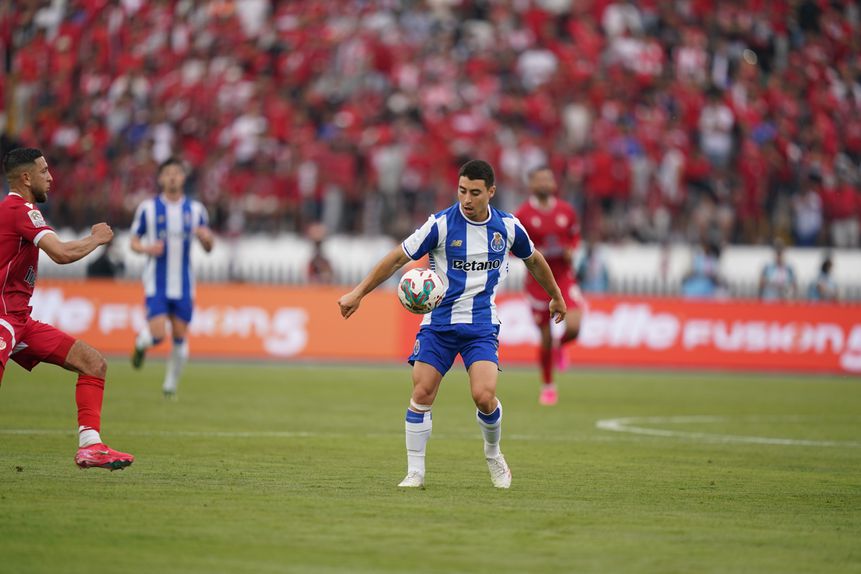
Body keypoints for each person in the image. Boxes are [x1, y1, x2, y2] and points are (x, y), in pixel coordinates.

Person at [338, 160, 567, 489]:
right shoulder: (441, 225)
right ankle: (415, 472)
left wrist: (556, 295)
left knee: (484, 396)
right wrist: (358, 292)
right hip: (438, 325)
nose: (467, 199)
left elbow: (534, 260)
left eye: (475, 192)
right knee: (422, 392)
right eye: (462, 191)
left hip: (481, 326)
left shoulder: (508, 227)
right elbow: (399, 257)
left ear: (491, 192)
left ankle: (493, 453)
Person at [0, 147, 133, 470]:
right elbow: (61, 253)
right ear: (26, 177)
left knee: (92, 363)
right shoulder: (21, 210)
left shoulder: (18, 210)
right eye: (44, 171)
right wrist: (96, 238)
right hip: (2, 318)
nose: (51, 177)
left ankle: (91, 446)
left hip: (20, 321)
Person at [130, 157, 214, 399]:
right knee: (158, 335)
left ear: (183, 178)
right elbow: (133, 242)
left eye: (177, 173)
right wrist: (147, 249)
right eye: (168, 173)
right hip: (157, 282)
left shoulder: (196, 210)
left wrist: (206, 238)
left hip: (184, 284)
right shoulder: (148, 209)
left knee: (179, 336)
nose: (173, 177)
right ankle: (141, 344)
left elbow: (209, 247)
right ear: (161, 178)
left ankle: (170, 387)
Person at [515, 166, 585, 406]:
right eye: (540, 180)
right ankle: (548, 386)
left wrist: (571, 249)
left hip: (564, 277)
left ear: (554, 183)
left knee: (574, 327)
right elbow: (513, 246)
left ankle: (560, 346)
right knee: (544, 337)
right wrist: (534, 254)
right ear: (531, 184)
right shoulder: (523, 215)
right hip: (538, 282)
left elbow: (575, 235)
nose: (545, 183)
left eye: (548, 179)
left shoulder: (566, 211)